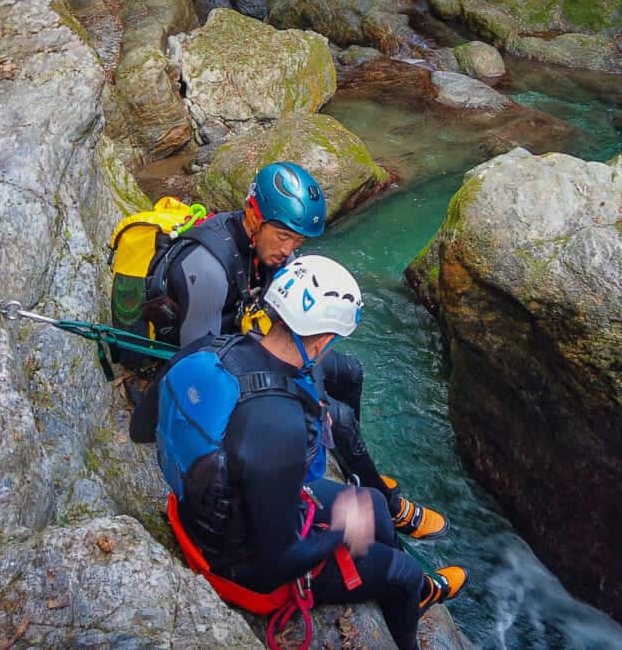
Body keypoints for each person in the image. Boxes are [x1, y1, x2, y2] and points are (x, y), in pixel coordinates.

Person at [131, 256, 467, 650]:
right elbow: (278, 567)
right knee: (403, 572)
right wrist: (342, 531)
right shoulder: (281, 423)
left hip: (202, 509)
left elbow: (141, 430)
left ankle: (400, 583)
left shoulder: (207, 349)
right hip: (240, 567)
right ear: (323, 341)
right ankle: (409, 598)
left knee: (374, 503)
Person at [145, 160, 447, 540]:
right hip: (217, 363)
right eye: (284, 237)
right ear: (254, 217)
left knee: (350, 372)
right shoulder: (207, 269)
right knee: (335, 418)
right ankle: (381, 499)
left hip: (246, 342)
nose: (289, 251)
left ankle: (351, 461)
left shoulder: (269, 250)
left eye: (298, 242)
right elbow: (198, 365)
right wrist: (298, 404)